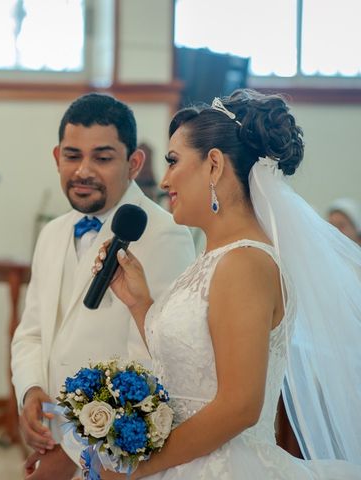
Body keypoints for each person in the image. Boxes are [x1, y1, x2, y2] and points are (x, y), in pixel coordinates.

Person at [87, 90, 361, 479]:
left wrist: (137, 467)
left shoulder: (246, 263)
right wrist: (138, 303)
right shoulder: (217, 258)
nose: (164, 181)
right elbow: (193, 370)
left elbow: (240, 406)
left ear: (214, 165)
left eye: (173, 161)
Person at [11, 93, 196, 478]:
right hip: (56, 432)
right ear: (56, 157)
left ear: (133, 163)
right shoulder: (51, 233)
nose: (83, 171)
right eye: (72, 155)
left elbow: (156, 362)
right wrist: (30, 391)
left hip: (120, 450)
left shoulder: (164, 234)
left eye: (103, 157)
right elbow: (31, 332)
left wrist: (76, 448)